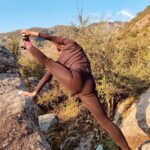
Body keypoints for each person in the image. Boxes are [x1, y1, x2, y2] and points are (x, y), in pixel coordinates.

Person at [20, 30, 131, 150]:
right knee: (105, 121)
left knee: (48, 62)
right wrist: (35, 91)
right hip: (89, 85)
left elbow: (50, 39)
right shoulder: (73, 47)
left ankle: (27, 44)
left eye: (55, 44)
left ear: (59, 44)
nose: (55, 45)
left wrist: (30, 34)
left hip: (76, 81)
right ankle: (125, 148)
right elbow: (48, 73)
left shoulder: (67, 46)